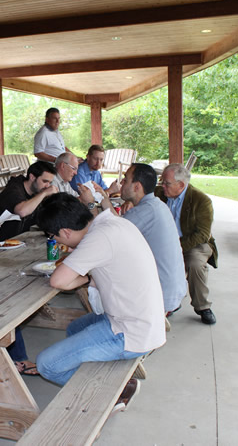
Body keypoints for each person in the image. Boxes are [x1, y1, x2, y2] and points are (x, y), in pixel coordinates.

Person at [34, 193, 165, 394]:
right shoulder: (112, 222)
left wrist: (84, 275)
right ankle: (92, 373)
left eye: (54, 236)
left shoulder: (99, 238)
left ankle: (114, 392)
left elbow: (58, 281)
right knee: (75, 328)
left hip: (131, 332)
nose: (55, 240)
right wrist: (88, 276)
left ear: (66, 232)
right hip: (144, 321)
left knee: (46, 365)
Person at [119, 163, 187, 316]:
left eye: (125, 179)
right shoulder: (157, 205)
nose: (122, 183)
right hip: (174, 289)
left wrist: (92, 204)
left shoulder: (145, 211)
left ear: (137, 187)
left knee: (105, 275)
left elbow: (109, 236)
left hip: (159, 296)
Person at [156, 163, 218, 325]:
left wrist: (177, 247)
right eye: (162, 182)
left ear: (181, 185)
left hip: (193, 243)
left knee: (195, 263)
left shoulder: (201, 201)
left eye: (166, 183)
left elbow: (203, 234)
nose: (162, 186)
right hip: (165, 242)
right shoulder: (159, 194)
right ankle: (168, 302)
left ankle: (202, 306)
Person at [0, 161, 58, 242]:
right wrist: (44, 193)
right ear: (32, 177)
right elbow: (22, 211)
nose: (47, 186)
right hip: (0, 244)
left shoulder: (37, 191)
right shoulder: (13, 190)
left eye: (50, 182)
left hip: (20, 241)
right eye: (45, 181)